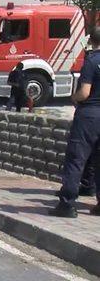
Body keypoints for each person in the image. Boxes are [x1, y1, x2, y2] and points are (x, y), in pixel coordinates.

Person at [50, 26, 100, 218]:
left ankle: (67, 204)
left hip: (89, 116)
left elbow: (84, 92)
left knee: (76, 159)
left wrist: (74, 97)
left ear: (92, 41)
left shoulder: (92, 61)